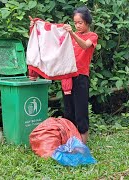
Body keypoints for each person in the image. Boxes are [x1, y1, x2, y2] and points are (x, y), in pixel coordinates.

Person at [29, 6, 98, 144]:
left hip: (81, 78)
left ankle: (83, 145)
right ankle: (71, 142)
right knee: (68, 112)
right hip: (67, 77)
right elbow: (52, 43)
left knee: (81, 112)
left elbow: (85, 46)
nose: (77, 25)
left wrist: (72, 33)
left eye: (80, 23)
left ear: (87, 22)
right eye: (75, 22)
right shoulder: (68, 36)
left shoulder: (92, 36)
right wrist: (36, 28)